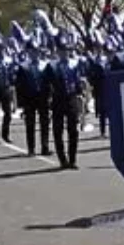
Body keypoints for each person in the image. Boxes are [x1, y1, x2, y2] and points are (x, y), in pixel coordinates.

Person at [45, 32, 87, 170]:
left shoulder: (74, 64)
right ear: (58, 51)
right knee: (58, 130)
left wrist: (80, 94)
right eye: (62, 50)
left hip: (71, 98)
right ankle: (62, 159)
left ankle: (73, 159)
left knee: (73, 130)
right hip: (58, 99)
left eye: (67, 50)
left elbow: (78, 81)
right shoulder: (52, 66)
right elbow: (48, 84)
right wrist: (49, 98)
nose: (64, 53)